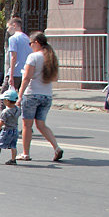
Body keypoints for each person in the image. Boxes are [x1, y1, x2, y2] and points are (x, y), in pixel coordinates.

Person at [19, 32, 63, 161]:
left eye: (31, 43)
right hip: (47, 95)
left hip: (32, 94)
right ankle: (56, 147)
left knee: (27, 125)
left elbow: (27, 77)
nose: (30, 46)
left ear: (37, 42)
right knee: (41, 124)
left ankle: (25, 153)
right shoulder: (51, 57)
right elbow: (55, 78)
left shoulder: (33, 57)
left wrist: (20, 95)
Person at [0, 89, 20, 164]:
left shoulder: (5, 112)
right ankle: (13, 159)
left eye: (4, 100)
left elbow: (1, 121)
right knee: (13, 145)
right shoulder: (18, 109)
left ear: (7, 100)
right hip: (15, 130)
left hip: (7, 130)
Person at [5, 16, 32, 91]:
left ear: (14, 25)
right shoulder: (27, 38)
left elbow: (13, 57)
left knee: (4, 97)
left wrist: (11, 75)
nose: (7, 30)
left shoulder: (13, 38)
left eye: (8, 27)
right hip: (25, 71)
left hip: (15, 71)